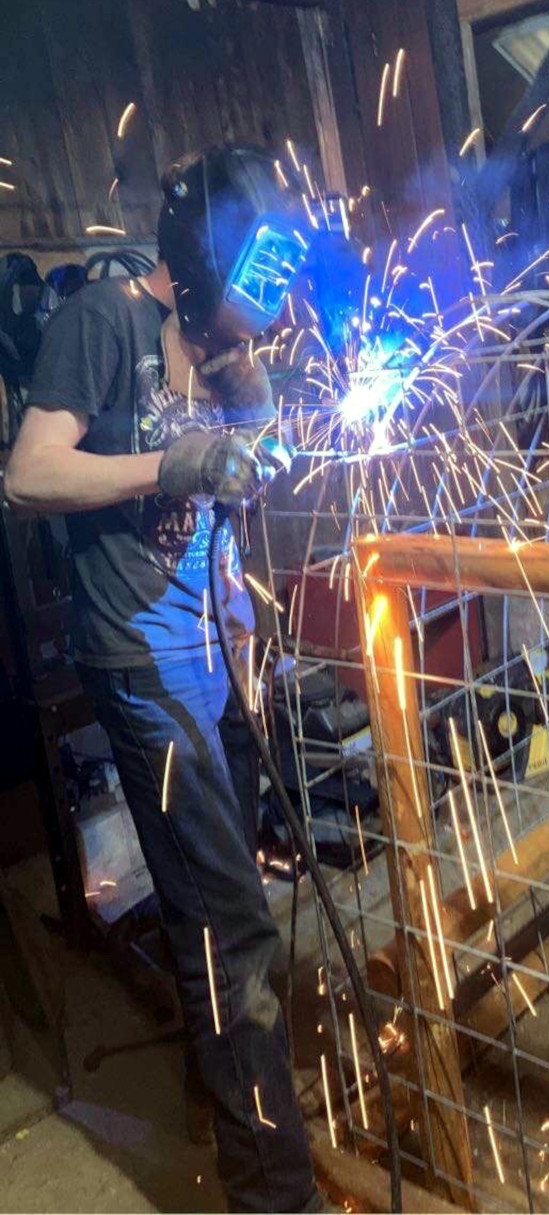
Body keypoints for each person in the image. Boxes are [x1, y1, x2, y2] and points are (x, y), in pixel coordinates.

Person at [5, 146, 321, 1214]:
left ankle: (217, 1097)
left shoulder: (217, 344)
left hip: (212, 651)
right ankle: (275, 1196)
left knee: (206, 905)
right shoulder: (102, 324)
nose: (268, 309)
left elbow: (255, 444)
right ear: (197, 262)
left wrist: (249, 391)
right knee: (233, 926)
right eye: (255, 286)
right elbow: (29, 473)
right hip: (139, 661)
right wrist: (169, 466)